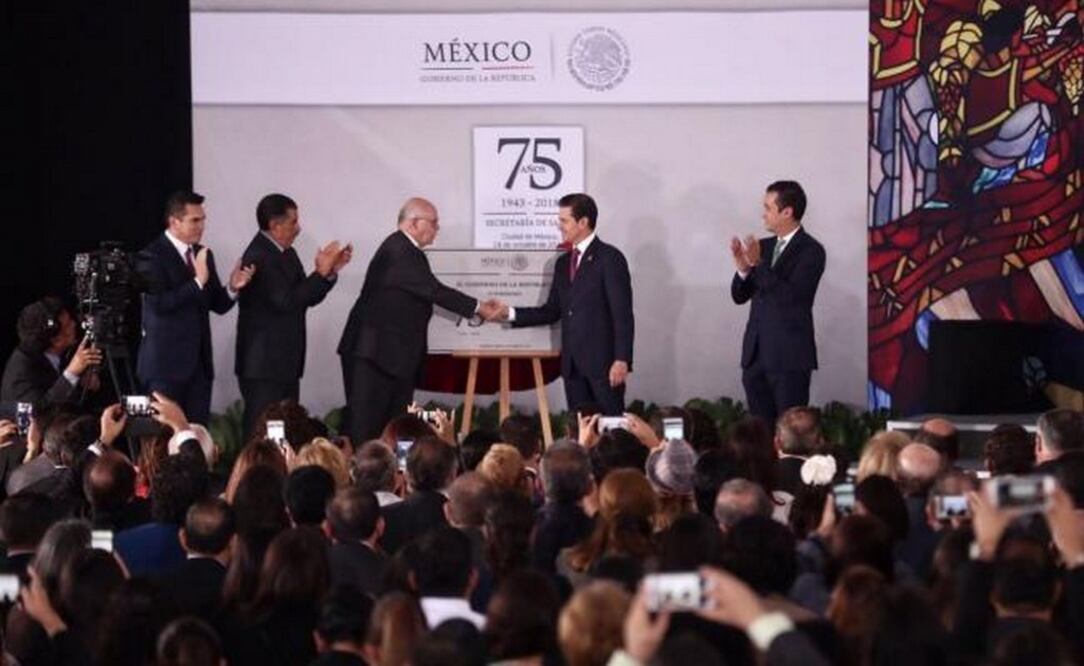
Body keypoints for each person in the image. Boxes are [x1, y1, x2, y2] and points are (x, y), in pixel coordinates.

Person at [337, 197, 499, 443]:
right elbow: (434, 291)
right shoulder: (401, 251)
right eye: (433, 223)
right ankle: (367, 468)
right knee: (368, 429)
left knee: (394, 429)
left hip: (388, 356)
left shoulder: (404, 249)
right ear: (413, 223)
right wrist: (479, 308)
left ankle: (390, 467)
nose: (437, 229)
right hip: (375, 356)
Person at [494, 193, 634, 415]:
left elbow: (622, 315)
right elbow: (552, 311)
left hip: (604, 367)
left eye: (564, 220)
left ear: (583, 222)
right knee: (580, 428)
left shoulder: (610, 258)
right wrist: (509, 313)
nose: (559, 226)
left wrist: (622, 359)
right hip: (572, 368)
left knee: (611, 428)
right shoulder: (562, 263)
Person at [235, 193, 351, 437]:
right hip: (263, 366)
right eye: (293, 222)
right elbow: (286, 302)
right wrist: (320, 273)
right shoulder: (258, 255)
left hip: (284, 362)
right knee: (264, 432)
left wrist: (329, 273)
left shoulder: (287, 253)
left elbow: (305, 298)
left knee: (285, 430)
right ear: (274, 225)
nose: (298, 228)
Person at [136, 190, 255, 425]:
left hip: (199, 370)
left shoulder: (202, 254)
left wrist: (233, 287)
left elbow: (217, 304)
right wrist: (197, 281)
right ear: (174, 222)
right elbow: (158, 306)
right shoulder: (151, 256)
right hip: (164, 370)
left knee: (197, 436)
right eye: (195, 220)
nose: (201, 226)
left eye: (203, 220)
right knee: (162, 439)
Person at [730, 180, 826, 423]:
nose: (763, 214)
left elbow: (791, 298)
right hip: (755, 356)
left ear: (787, 212)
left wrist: (758, 264)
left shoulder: (811, 251)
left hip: (789, 358)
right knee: (760, 431)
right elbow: (739, 296)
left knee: (789, 429)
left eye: (768, 208)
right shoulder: (762, 246)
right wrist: (743, 270)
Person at [1, 298, 101, 407]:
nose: (74, 324)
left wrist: (82, 382)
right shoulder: (22, 373)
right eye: (68, 325)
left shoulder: (64, 352)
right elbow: (39, 413)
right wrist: (72, 372)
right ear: (55, 340)